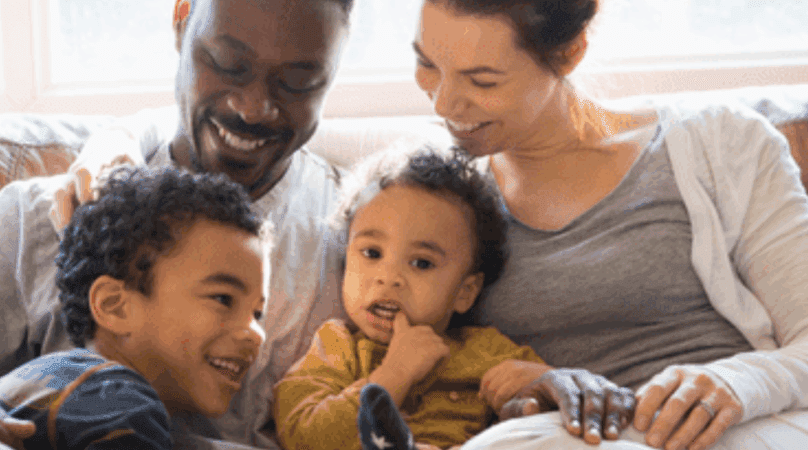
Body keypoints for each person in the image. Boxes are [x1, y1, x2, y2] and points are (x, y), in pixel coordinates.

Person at [406, 0, 808, 449]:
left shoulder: (721, 142)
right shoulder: (429, 196)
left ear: (570, 53)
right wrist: (517, 385)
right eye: (427, 63)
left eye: (483, 81)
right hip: (574, 437)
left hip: (745, 426)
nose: (444, 103)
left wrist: (738, 383)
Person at [0, 0, 355, 447]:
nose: (253, 108)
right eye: (228, 65)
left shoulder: (364, 249)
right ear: (180, 22)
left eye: (298, 84)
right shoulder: (36, 217)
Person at [271, 148, 551, 450]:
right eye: (372, 253)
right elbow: (304, 436)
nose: (389, 278)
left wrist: (539, 385)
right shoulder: (336, 347)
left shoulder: (486, 351)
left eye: (421, 263)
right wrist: (393, 375)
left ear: (464, 292)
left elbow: (565, 397)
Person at [0, 165, 269, 450]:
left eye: (257, 313)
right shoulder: (117, 402)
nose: (256, 334)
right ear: (115, 307)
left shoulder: (52, 379)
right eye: (223, 299)